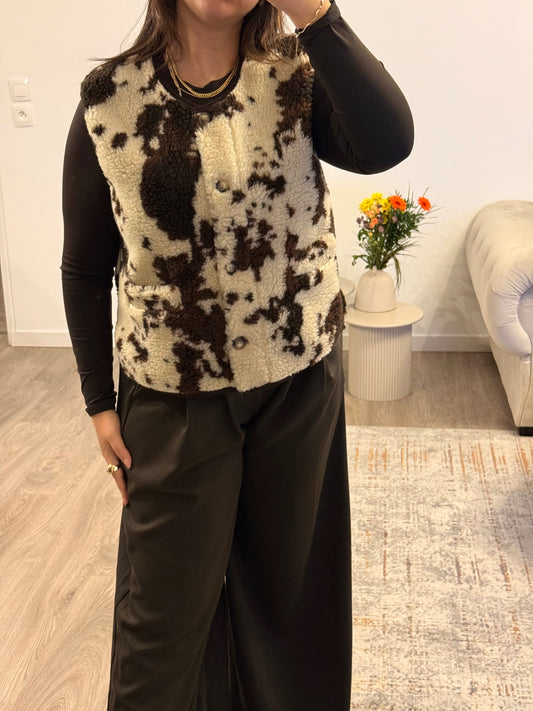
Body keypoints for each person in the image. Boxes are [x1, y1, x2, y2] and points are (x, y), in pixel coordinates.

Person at [61, 0, 413, 708]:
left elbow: (386, 142)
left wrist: (314, 12)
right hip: (172, 398)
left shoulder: (298, 79)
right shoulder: (109, 101)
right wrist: (99, 401)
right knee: (161, 620)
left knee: (293, 604)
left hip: (299, 386)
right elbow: (84, 266)